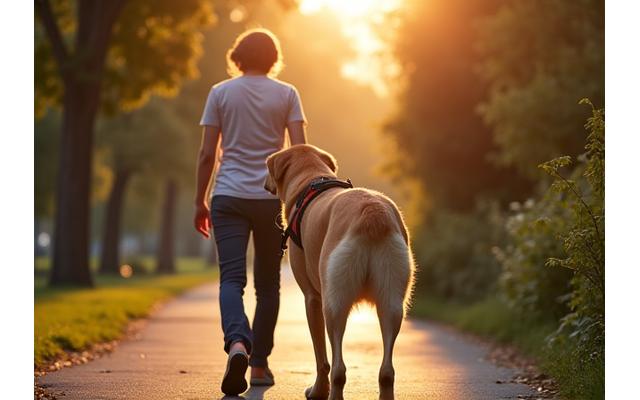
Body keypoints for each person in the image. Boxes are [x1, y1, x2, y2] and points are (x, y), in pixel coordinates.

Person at [193, 28, 307, 396]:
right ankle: (258, 365)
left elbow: (207, 154)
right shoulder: (287, 94)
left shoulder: (220, 93)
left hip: (227, 195)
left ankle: (238, 344)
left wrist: (200, 200)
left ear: (237, 56)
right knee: (268, 285)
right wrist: (298, 205)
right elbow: (300, 152)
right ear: (273, 58)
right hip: (271, 200)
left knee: (231, 280)